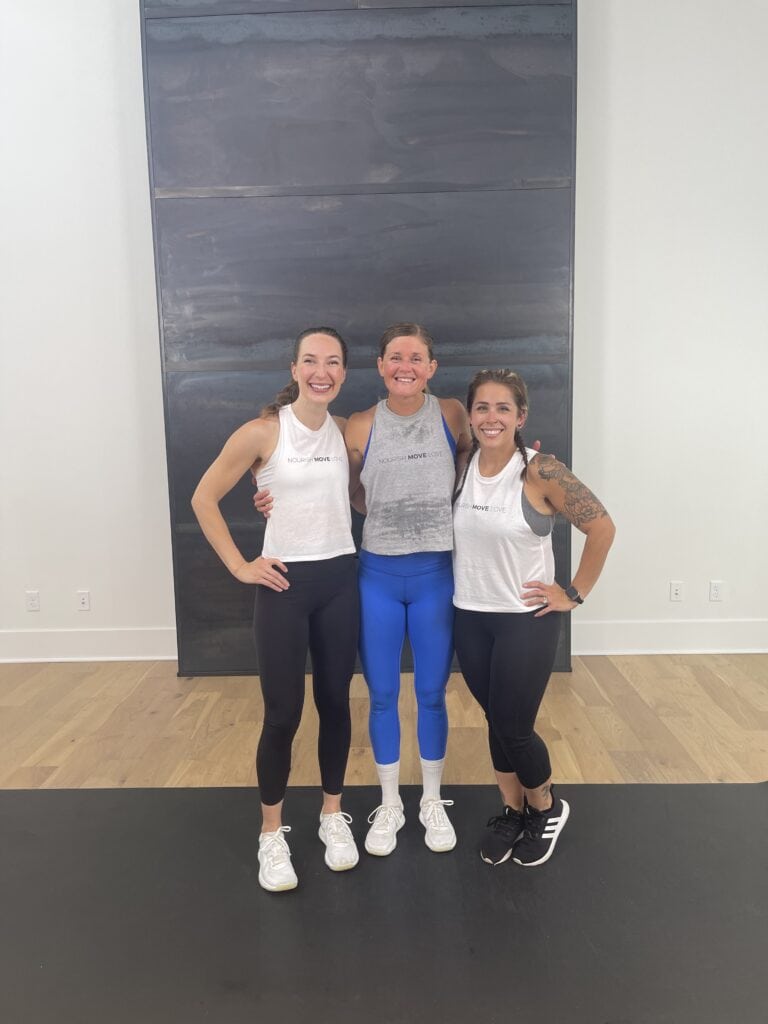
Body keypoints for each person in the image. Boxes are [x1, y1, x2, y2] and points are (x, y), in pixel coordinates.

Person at [256, 323, 472, 856]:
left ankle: (431, 801)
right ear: (379, 366)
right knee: (379, 695)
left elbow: (474, 460)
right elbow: (336, 486)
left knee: (429, 694)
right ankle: (391, 802)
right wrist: (266, 497)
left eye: (416, 357)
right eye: (395, 356)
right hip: (375, 575)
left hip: (436, 576)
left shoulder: (451, 414)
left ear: (432, 366)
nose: (405, 365)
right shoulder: (358, 424)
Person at [191, 328, 360, 893]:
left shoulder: (342, 430)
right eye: (311, 360)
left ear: (342, 371)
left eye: (332, 362)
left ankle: (332, 815)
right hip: (284, 584)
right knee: (282, 714)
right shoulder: (263, 432)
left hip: (340, 579)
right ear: (294, 368)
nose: (322, 371)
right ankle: (271, 833)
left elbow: (351, 497)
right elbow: (202, 498)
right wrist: (242, 566)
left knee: (335, 703)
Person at [452, 369, 615, 867]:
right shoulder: (461, 464)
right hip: (470, 613)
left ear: (520, 417)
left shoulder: (541, 470)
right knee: (494, 719)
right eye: (482, 407)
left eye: (503, 408)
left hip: (525, 618)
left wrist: (575, 593)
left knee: (514, 725)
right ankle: (512, 808)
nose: (492, 417)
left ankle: (546, 806)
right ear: (471, 416)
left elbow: (603, 528)